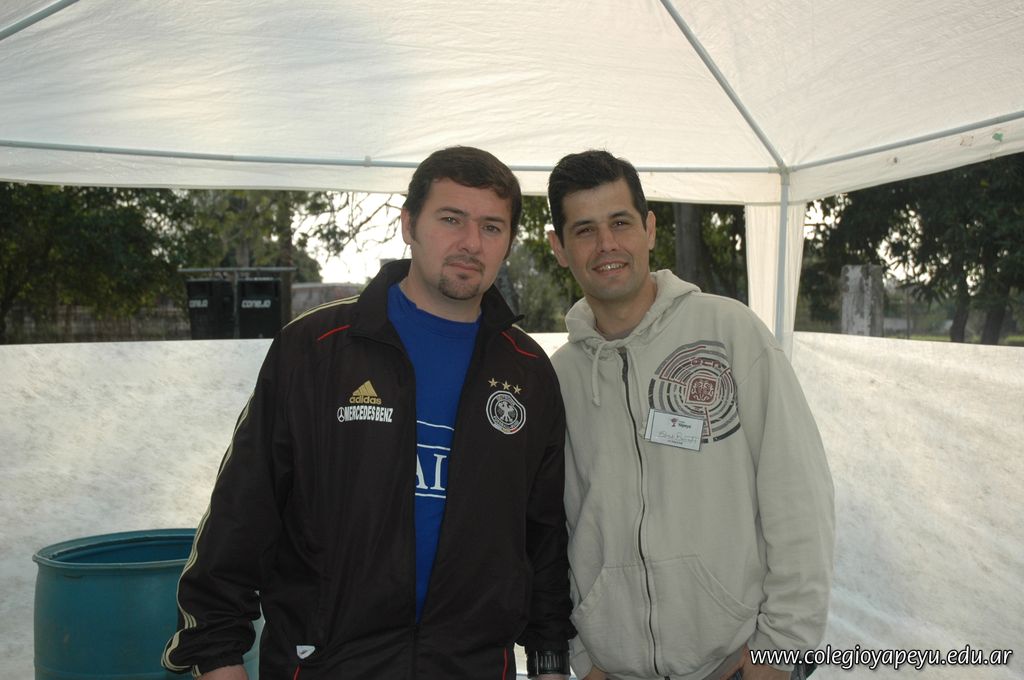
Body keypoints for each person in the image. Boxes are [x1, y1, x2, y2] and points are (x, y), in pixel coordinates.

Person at [163, 146, 574, 679]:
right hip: (324, 665)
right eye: (451, 219)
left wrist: (548, 662)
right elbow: (242, 513)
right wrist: (217, 656)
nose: (471, 243)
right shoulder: (316, 349)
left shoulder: (528, 371)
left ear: (508, 242)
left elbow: (544, 538)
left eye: (491, 227)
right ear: (409, 225)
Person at [545, 150, 834, 680]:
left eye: (620, 222)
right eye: (584, 230)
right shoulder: (557, 379)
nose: (606, 244)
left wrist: (781, 651)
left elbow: (798, 496)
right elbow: (552, 530)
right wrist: (583, 657)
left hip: (738, 664)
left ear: (650, 229)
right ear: (559, 248)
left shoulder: (731, 333)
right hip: (614, 671)